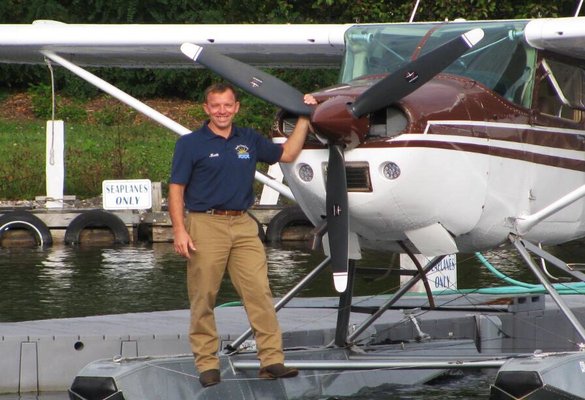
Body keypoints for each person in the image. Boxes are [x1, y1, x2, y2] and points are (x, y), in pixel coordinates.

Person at [169, 82, 315, 388]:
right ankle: (207, 363)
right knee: (204, 296)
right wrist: (179, 229)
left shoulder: (248, 138)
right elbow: (176, 189)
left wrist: (304, 116)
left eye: (228, 105)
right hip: (204, 224)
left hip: (244, 225)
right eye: (216, 106)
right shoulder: (190, 144)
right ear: (206, 109)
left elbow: (287, 153)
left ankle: (272, 361)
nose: (222, 111)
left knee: (259, 293)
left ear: (236, 108)